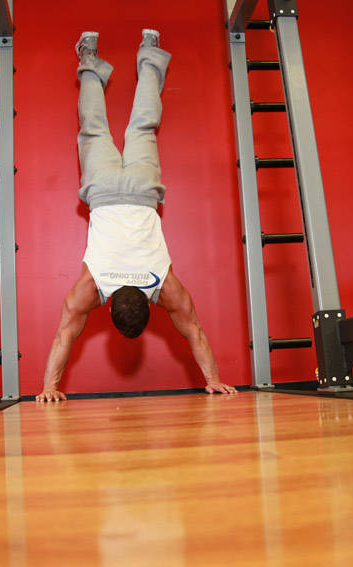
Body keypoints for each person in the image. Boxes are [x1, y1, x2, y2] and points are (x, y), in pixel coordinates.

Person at [36, 30, 237, 402]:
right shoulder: (91, 287)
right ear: (108, 303)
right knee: (93, 127)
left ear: (149, 302)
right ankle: (91, 57)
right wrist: (48, 389)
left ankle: (150, 47)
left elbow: (195, 331)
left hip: (143, 191)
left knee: (142, 125)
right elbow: (64, 334)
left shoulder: (165, 285)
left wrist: (213, 379)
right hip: (104, 190)